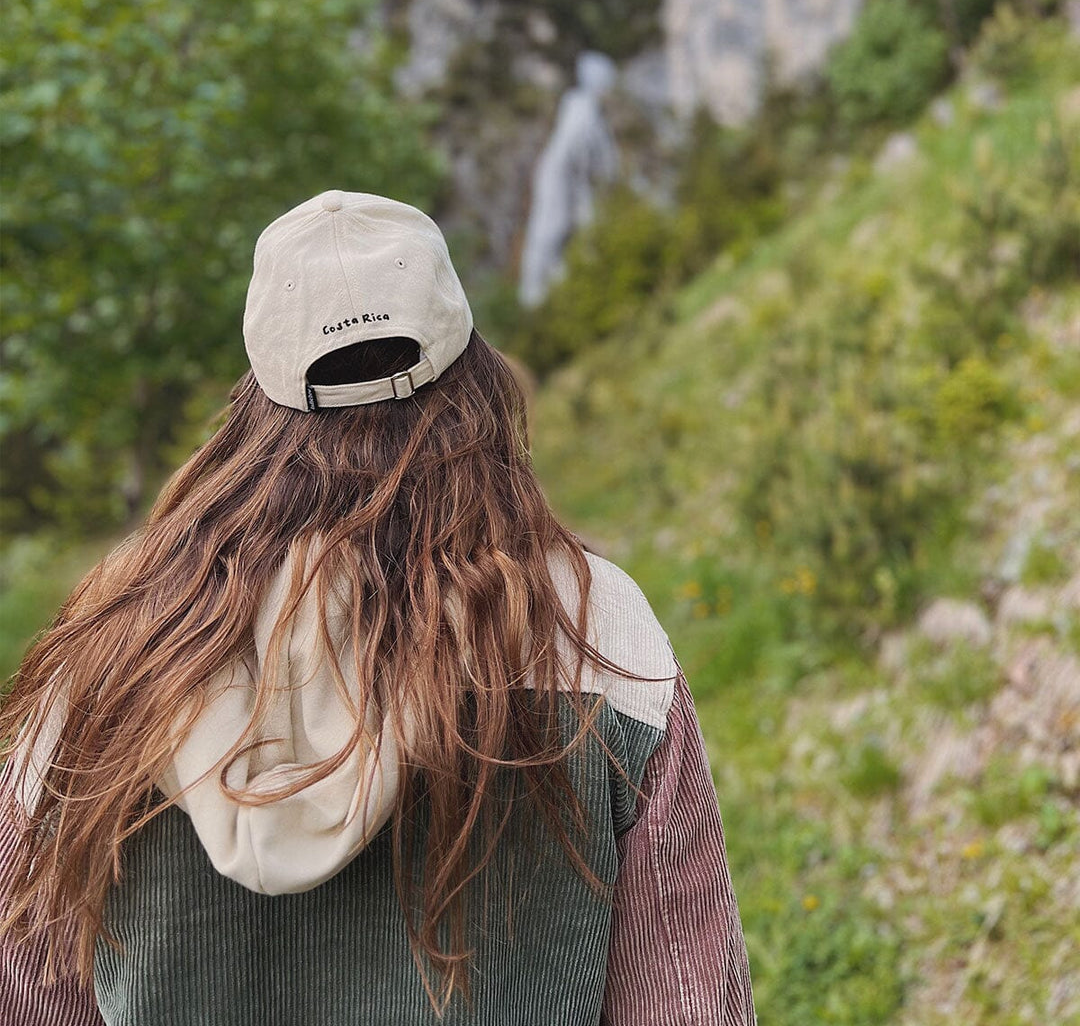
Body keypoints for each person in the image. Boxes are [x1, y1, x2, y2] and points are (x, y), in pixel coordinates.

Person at [0, 190, 756, 1025]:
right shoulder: (593, 626)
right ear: (476, 378)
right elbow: (685, 999)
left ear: (254, 406)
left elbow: (29, 988)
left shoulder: (115, 643)